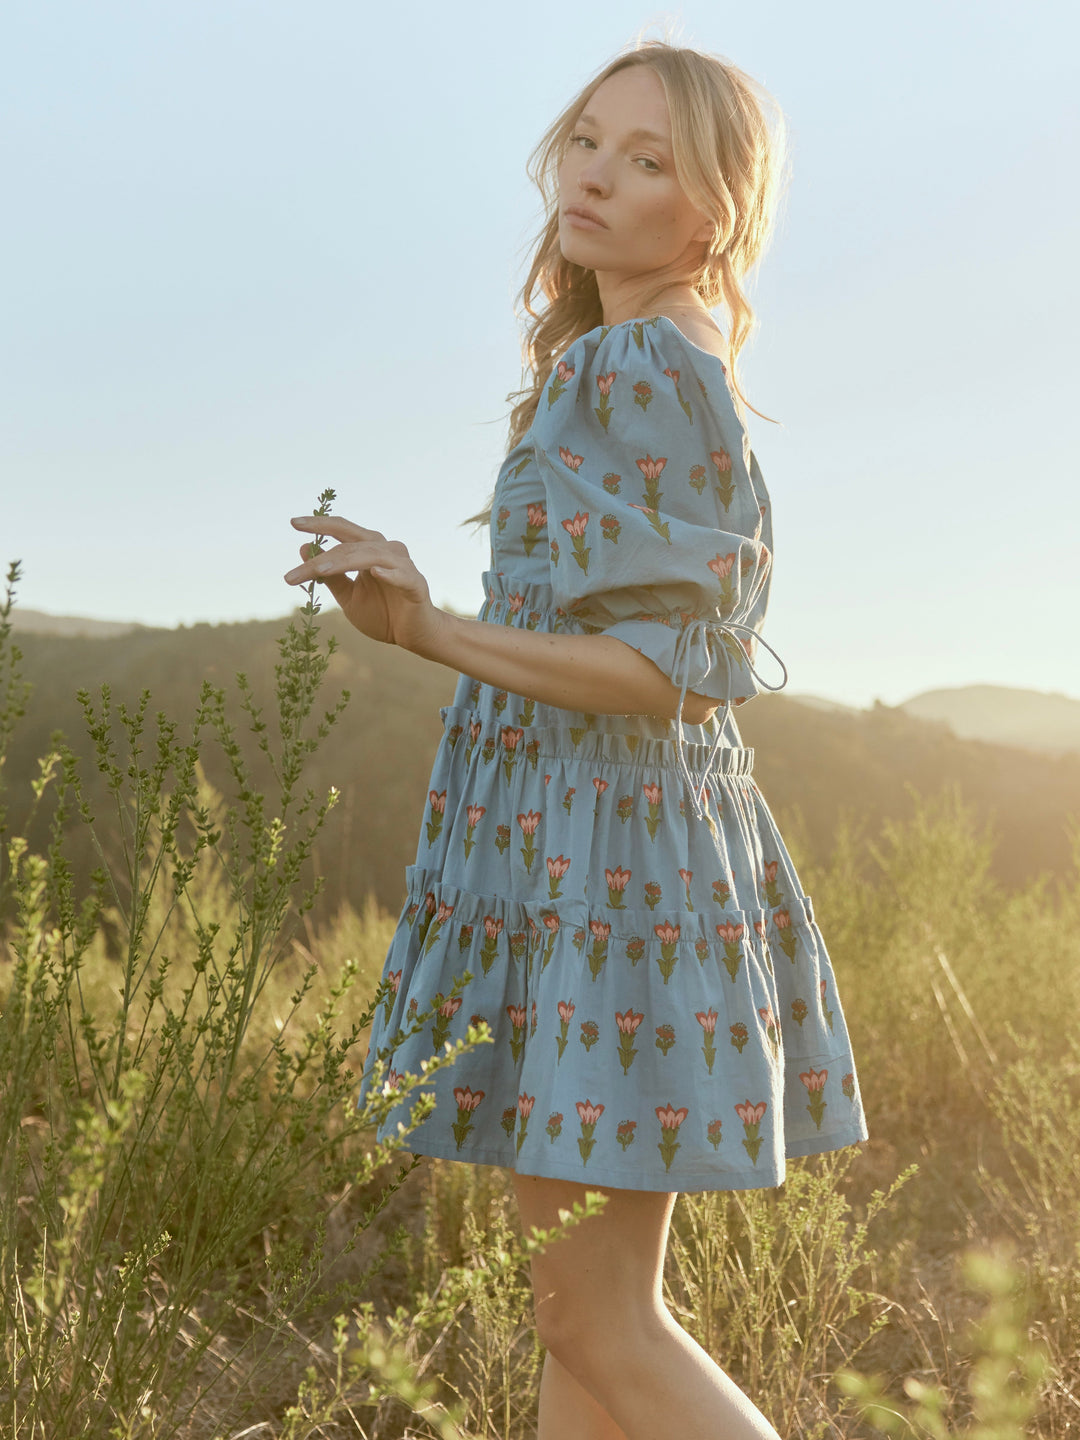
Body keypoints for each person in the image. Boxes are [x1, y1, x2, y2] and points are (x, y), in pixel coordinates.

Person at [285, 38, 869, 1440]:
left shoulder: (641, 362)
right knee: (581, 1341)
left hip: (605, 863)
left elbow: (669, 671)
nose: (598, 174)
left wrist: (427, 630)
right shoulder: (635, 356)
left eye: (650, 158)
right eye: (590, 141)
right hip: (609, 854)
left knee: (595, 1318)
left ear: (712, 212)